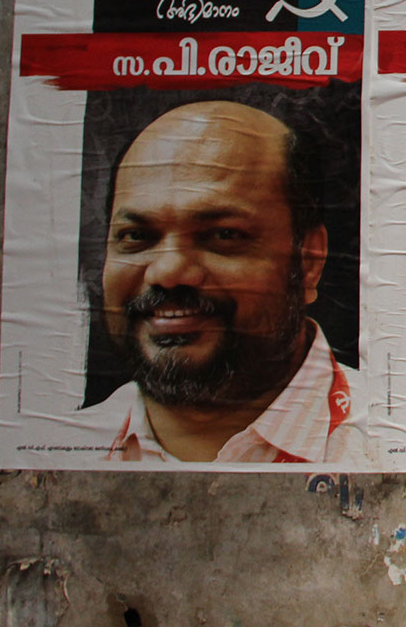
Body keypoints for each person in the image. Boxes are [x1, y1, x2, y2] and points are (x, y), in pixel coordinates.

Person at [80, 99, 370, 463]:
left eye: (222, 236)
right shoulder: (65, 448)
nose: (167, 272)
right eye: (137, 236)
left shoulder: (384, 438)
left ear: (308, 261)